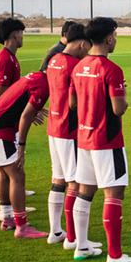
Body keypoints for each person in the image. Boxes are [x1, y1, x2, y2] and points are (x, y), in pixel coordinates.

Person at [71, 17, 131, 262]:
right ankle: (115, 256)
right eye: (115, 35)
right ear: (108, 38)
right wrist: (123, 95)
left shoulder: (79, 66)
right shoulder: (111, 69)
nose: (116, 39)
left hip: (84, 138)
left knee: (85, 191)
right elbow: (119, 108)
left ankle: (81, 246)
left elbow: (71, 103)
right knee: (114, 193)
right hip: (106, 140)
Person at [0, 69, 51, 239]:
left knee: (4, 173)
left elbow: (17, 100)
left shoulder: (35, 77)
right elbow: (26, 116)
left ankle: (7, 217)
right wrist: (22, 146)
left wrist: (31, 111)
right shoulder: (44, 84)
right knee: (17, 175)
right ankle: (21, 226)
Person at [44, 23, 97, 249]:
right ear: (83, 44)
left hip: (54, 127)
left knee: (58, 180)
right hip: (69, 129)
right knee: (74, 182)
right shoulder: (75, 65)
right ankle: (73, 239)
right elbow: (78, 101)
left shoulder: (54, 60)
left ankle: (56, 231)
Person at [0, 17, 29, 225]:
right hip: (3, 123)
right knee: (13, 171)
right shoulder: (5, 59)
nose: (23, 37)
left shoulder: (9, 57)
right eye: (21, 33)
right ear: (14, 34)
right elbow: (3, 95)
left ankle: (9, 207)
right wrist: (26, 110)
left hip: (4, 121)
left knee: (7, 170)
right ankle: (7, 213)